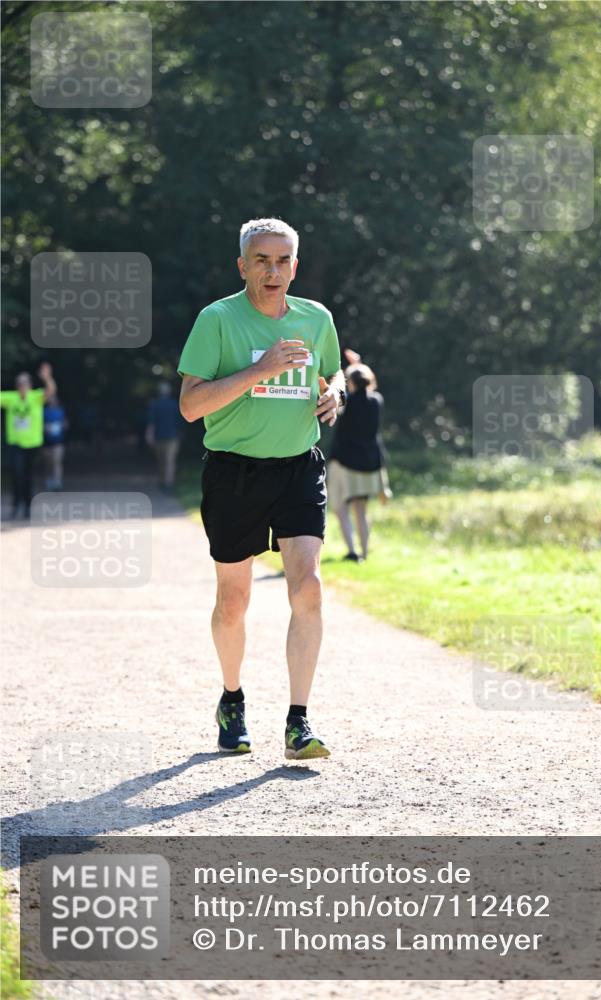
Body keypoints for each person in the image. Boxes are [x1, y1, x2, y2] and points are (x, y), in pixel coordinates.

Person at [178, 217, 346, 760]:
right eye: (261, 261)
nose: (272, 271)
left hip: (298, 467)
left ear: (295, 266)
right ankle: (232, 699)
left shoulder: (316, 318)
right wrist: (262, 369)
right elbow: (191, 405)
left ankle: (299, 720)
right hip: (234, 472)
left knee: (308, 587)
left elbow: (333, 372)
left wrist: (336, 393)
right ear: (242, 266)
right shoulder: (218, 320)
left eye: (282, 261)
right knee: (234, 601)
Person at [326, 357, 392, 562]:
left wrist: (351, 368)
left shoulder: (348, 402)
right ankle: (364, 552)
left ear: (351, 382)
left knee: (340, 508)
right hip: (369, 462)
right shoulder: (376, 401)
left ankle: (352, 551)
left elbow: (339, 396)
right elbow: (362, 381)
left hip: (344, 462)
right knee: (361, 511)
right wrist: (358, 364)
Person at [0, 363, 57, 518]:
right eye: (19, 383)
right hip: (16, 444)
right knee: (17, 474)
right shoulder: (11, 398)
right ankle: (16, 505)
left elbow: (51, 391)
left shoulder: (36, 397)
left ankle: (27, 507)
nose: (22, 386)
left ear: (30, 385)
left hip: (33, 444)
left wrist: (47, 378)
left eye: (24, 383)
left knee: (28, 476)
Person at [145, 380, 183, 493]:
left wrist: (149, 436)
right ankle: (168, 484)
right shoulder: (175, 404)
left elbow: (151, 423)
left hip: (159, 436)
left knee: (161, 460)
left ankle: (162, 482)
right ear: (169, 392)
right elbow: (179, 422)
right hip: (173, 437)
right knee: (170, 461)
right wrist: (180, 435)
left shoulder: (155, 404)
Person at [42, 395, 68, 490]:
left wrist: (63, 425)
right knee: (48, 462)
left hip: (58, 441)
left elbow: (66, 424)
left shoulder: (61, 411)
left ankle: (57, 482)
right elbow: (38, 424)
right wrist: (45, 427)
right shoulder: (43, 412)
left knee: (57, 461)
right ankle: (49, 479)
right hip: (46, 442)